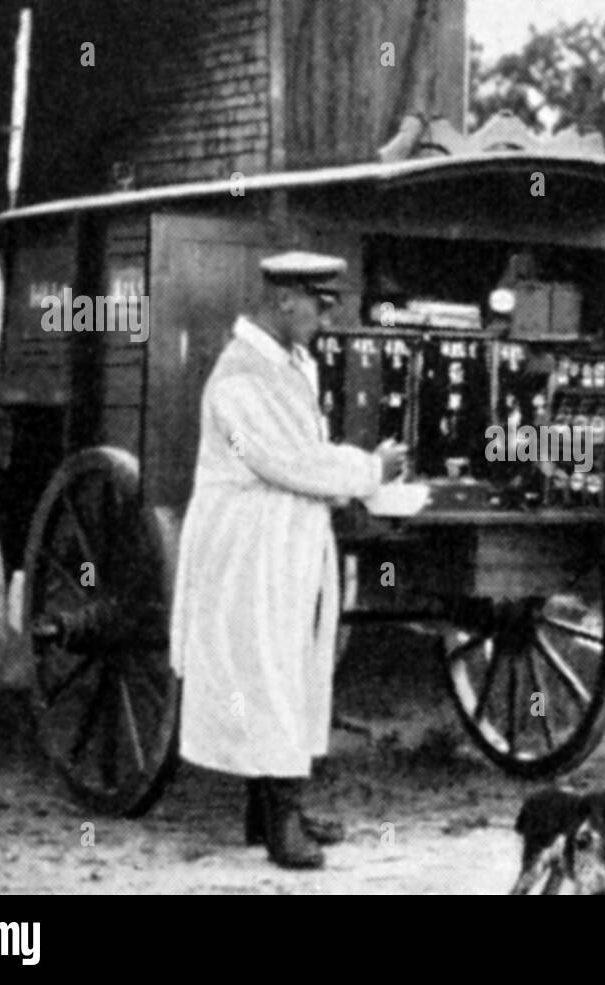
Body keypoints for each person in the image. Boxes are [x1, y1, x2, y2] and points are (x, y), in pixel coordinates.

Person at [170, 252, 407, 869]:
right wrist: (369, 470)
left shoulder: (289, 363)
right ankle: (281, 827)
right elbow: (286, 460)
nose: (326, 319)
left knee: (288, 667)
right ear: (284, 300)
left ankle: (270, 812)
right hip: (249, 545)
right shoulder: (240, 376)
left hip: (284, 538)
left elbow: (303, 453)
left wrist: (349, 476)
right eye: (319, 305)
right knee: (267, 673)